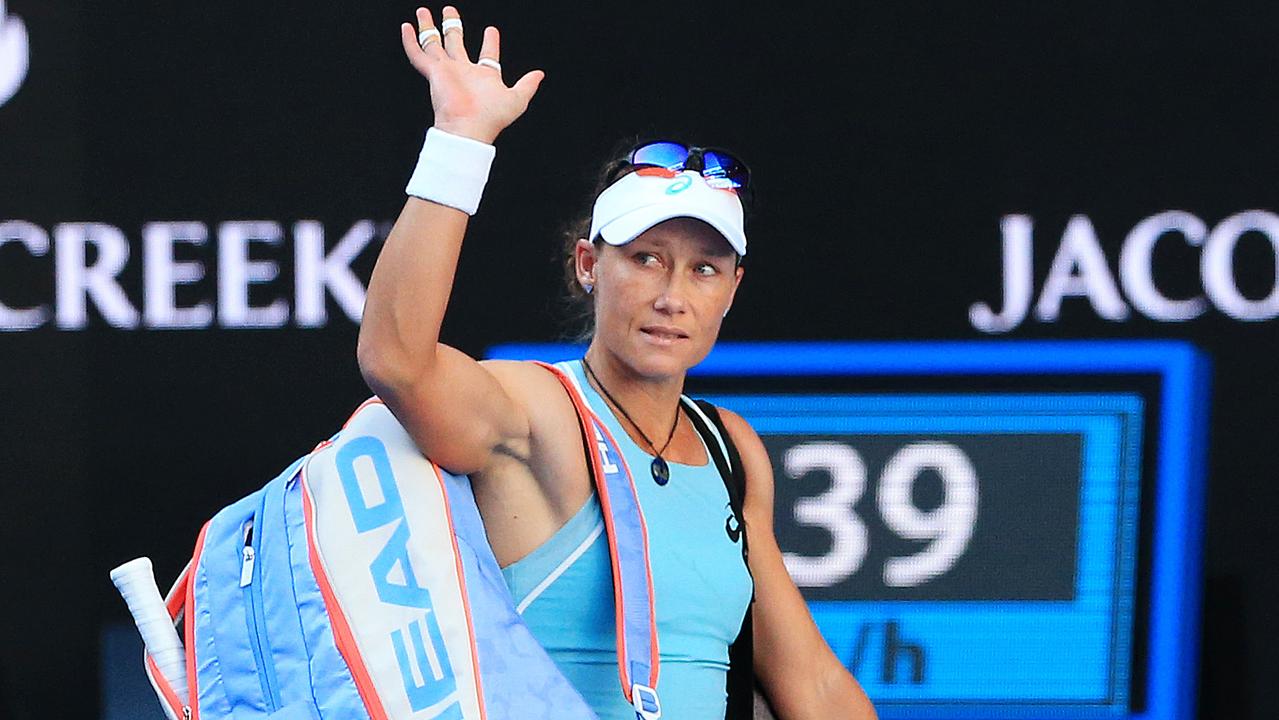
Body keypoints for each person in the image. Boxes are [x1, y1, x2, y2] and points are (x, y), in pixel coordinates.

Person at [358, 6, 879, 719]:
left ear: (732, 290)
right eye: (645, 259)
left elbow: (811, 684)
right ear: (587, 266)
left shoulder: (731, 451)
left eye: (703, 269)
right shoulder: (536, 409)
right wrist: (461, 139)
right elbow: (396, 359)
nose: (671, 296)